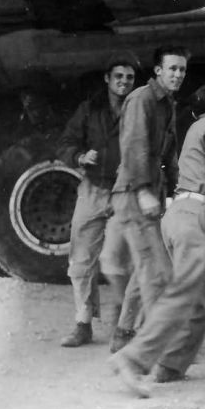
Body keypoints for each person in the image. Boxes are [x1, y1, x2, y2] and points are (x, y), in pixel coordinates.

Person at [109, 83, 205, 397]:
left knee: (204, 299)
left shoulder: (198, 128)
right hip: (194, 217)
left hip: (186, 216)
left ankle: (170, 366)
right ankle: (133, 359)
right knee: (184, 292)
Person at [106, 45, 188, 391]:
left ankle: (124, 334)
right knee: (158, 276)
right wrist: (142, 190)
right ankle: (148, 359)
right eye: (172, 69)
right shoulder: (141, 99)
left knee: (146, 272)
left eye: (182, 70)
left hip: (149, 194)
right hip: (133, 195)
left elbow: (169, 154)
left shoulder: (167, 103)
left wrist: (174, 191)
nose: (177, 75)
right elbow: (135, 146)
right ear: (157, 71)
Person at [55, 56, 137, 347]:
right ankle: (83, 324)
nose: (124, 82)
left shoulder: (140, 109)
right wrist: (79, 157)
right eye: (118, 76)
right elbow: (65, 143)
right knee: (80, 261)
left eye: (129, 77)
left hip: (126, 193)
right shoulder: (89, 109)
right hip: (92, 191)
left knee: (120, 262)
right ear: (107, 79)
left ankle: (126, 326)